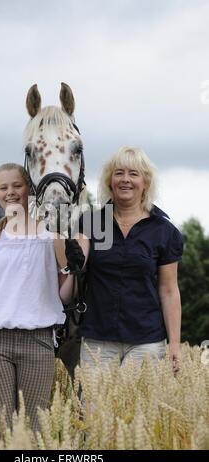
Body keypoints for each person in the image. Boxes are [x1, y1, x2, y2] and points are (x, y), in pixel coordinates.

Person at [0, 163, 66, 433]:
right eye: (3, 187)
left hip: (38, 342)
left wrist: (71, 268)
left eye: (17, 185)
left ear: (29, 189)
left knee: (34, 431)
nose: (11, 192)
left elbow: (65, 295)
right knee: (0, 430)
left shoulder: (51, 235)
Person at [60, 146, 183, 373]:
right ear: (110, 181)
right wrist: (75, 262)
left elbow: (168, 290)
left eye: (133, 174)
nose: (125, 179)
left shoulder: (164, 231)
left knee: (136, 409)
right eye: (119, 173)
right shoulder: (89, 223)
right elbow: (75, 274)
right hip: (98, 338)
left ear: (145, 182)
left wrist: (174, 343)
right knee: (94, 409)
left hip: (146, 340)